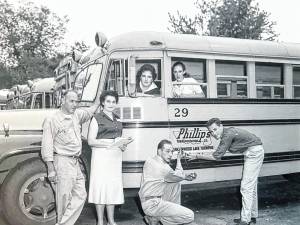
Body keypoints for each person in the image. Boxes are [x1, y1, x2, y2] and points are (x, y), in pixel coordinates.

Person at [190, 118, 264, 225]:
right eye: (211, 132)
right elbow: (218, 152)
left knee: (246, 187)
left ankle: (245, 220)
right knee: (251, 187)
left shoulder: (227, 135)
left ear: (221, 126)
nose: (213, 133)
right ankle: (251, 216)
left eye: (215, 129)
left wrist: (197, 155)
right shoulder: (226, 134)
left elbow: (216, 157)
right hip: (253, 151)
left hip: (254, 153)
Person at [41, 90, 99, 225]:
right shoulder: (52, 119)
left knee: (81, 194)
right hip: (62, 162)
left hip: (75, 162)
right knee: (63, 200)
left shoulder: (76, 115)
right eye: (71, 101)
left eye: (76, 101)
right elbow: (47, 145)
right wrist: (51, 169)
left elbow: (89, 111)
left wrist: (98, 101)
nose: (74, 104)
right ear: (63, 100)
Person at [88, 90, 131, 225]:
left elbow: (119, 141)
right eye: (108, 101)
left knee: (111, 188)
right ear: (102, 102)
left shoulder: (118, 119)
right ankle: (100, 221)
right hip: (101, 156)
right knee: (101, 187)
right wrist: (110, 143)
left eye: (113, 102)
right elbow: (91, 141)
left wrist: (123, 145)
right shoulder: (96, 118)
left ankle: (111, 220)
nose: (111, 104)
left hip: (114, 157)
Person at [139, 139, 198, 225]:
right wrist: (178, 160)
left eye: (172, 151)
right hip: (153, 205)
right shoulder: (163, 168)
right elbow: (179, 175)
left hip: (146, 201)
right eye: (167, 151)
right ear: (159, 151)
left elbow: (175, 177)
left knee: (175, 184)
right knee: (190, 216)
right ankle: (157, 218)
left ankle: (157, 217)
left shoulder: (150, 160)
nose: (170, 154)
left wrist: (182, 176)